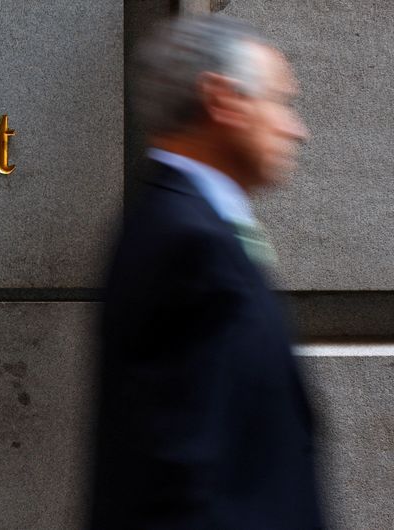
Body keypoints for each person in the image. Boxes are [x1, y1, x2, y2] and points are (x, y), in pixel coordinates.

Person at [91, 15, 323, 529]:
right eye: (280, 102)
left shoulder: (186, 223)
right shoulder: (186, 240)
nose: (296, 129)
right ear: (223, 99)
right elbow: (177, 467)